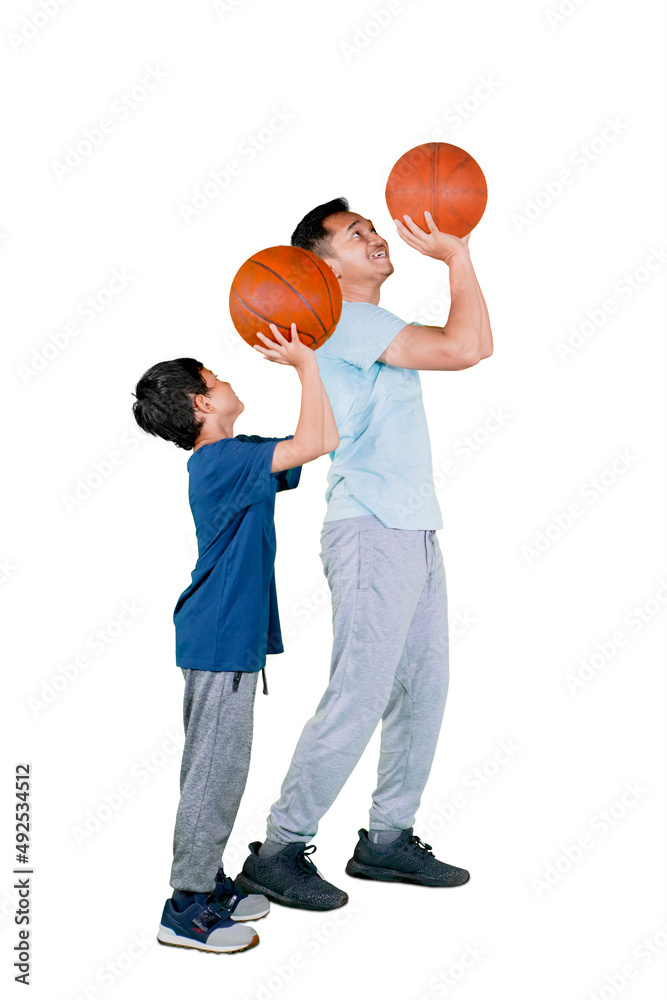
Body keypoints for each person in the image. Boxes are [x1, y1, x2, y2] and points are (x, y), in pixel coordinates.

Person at [236, 199, 493, 910]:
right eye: (357, 235)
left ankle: (386, 841)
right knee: (360, 692)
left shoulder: (369, 324)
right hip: (370, 527)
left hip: (410, 525)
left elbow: (460, 345)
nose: (376, 236)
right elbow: (466, 347)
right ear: (323, 266)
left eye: (370, 228)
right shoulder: (342, 319)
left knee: (423, 690)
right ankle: (279, 849)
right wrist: (457, 255)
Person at [131, 323, 339, 952]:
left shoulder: (236, 454)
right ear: (200, 402)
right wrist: (306, 364)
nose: (227, 381)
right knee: (214, 771)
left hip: (229, 637)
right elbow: (318, 438)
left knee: (223, 766)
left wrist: (316, 369)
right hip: (219, 636)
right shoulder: (222, 460)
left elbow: (317, 440)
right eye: (217, 379)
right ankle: (185, 906)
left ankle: (207, 879)